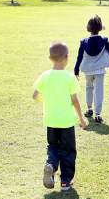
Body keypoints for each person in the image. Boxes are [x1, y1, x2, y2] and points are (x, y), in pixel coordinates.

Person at [33, 42, 87, 191]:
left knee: (53, 147)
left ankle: (51, 165)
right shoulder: (69, 77)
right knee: (68, 151)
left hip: (51, 120)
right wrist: (82, 119)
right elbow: (74, 101)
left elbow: (35, 95)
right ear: (66, 58)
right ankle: (65, 182)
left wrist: (49, 102)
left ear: (50, 58)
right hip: (66, 122)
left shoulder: (45, 75)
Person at [74, 15, 109, 123]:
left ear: (88, 28)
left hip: (87, 69)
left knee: (89, 88)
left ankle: (89, 109)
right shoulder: (104, 40)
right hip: (100, 70)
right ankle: (98, 114)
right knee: (99, 91)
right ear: (100, 27)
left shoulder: (83, 41)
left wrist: (76, 69)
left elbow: (79, 57)